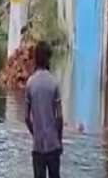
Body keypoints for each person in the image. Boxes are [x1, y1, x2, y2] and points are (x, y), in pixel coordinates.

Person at [25, 41, 63, 178]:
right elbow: (59, 118)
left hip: (38, 147)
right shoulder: (54, 82)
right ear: (48, 58)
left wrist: (35, 134)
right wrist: (59, 140)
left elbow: (26, 118)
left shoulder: (30, 83)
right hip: (53, 145)